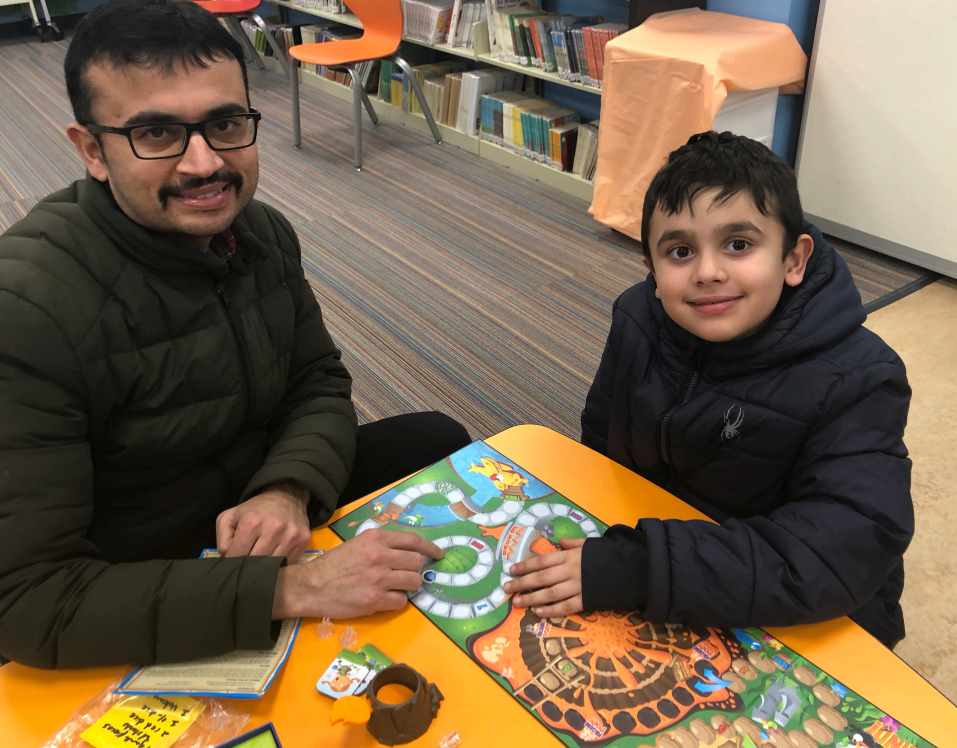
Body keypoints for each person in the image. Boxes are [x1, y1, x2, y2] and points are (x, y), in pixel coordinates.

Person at [0, 0, 471, 669]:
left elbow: (317, 381)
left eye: (224, 124)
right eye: (156, 134)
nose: (203, 165)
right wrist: (293, 587)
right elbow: (26, 601)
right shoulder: (26, 307)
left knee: (437, 440)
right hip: (135, 562)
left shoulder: (260, 232)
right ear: (91, 151)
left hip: (251, 501)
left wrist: (286, 487)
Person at [505, 132, 913, 648]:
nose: (708, 272)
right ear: (651, 270)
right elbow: (600, 442)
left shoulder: (861, 376)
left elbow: (838, 549)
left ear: (793, 259)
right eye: (679, 251)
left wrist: (641, 568)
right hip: (665, 566)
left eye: (738, 245)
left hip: (807, 609)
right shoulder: (637, 316)